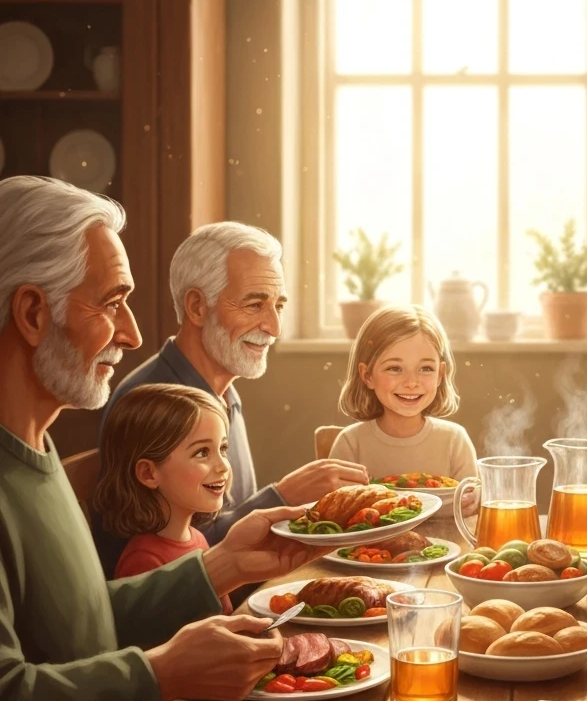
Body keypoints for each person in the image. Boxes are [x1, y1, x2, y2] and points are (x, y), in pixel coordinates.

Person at [0, 176, 323, 701]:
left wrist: (219, 567)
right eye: (111, 302)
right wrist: (162, 672)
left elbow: (73, 622)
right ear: (33, 312)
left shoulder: (35, 451)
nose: (132, 334)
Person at [95, 221, 367, 575]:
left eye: (278, 306)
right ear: (196, 306)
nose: (274, 327)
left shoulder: (223, 389)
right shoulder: (151, 401)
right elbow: (176, 561)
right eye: (254, 305)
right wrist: (283, 495)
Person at [94, 384, 233, 599]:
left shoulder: (196, 539)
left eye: (222, 449)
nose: (223, 466)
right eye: (202, 452)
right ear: (149, 473)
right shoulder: (144, 561)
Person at [329, 305, 477, 483]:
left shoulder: (455, 441)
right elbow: (336, 507)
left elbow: (470, 506)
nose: (411, 383)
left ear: (440, 374)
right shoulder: (351, 444)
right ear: (367, 375)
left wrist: (472, 500)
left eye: (425, 368)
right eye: (394, 368)